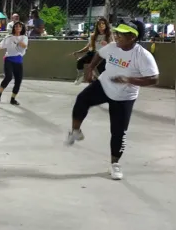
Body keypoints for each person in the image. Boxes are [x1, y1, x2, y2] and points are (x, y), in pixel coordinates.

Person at [65, 21, 159, 180]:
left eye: (121, 34)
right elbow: (99, 54)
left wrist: (129, 79)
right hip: (104, 85)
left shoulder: (142, 55)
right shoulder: (112, 47)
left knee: (118, 132)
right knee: (82, 99)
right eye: (116, 33)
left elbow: (154, 79)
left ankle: (115, 164)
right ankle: (76, 132)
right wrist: (89, 69)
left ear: (132, 37)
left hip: (124, 97)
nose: (116, 36)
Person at [0, 21, 28, 106]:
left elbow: (24, 46)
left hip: (18, 61)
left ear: (22, 28)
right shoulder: (8, 37)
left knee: (18, 81)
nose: (18, 28)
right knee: (8, 77)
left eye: (19, 26)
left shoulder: (24, 37)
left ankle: (13, 99)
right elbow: (1, 45)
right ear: (13, 28)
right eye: (16, 26)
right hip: (9, 59)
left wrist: (17, 40)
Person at [71, 18, 112, 84]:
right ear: (97, 26)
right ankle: (80, 77)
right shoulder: (93, 36)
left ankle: (104, 83)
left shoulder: (109, 35)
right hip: (93, 53)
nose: (101, 25)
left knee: (101, 70)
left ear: (106, 25)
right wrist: (79, 52)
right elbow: (88, 47)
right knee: (80, 61)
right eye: (99, 24)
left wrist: (107, 44)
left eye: (103, 23)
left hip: (103, 55)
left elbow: (114, 46)